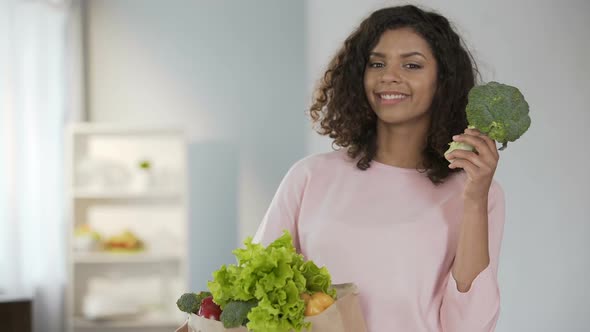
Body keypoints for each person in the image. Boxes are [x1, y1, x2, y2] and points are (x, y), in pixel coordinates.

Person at [253, 4, 505, 332]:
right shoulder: (309, 177)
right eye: (377, 63)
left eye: (412, 65)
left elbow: (469, 327)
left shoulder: (478, 193)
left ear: (443, 81)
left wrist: (474, 201)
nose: (389, 76)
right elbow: (255, 291)